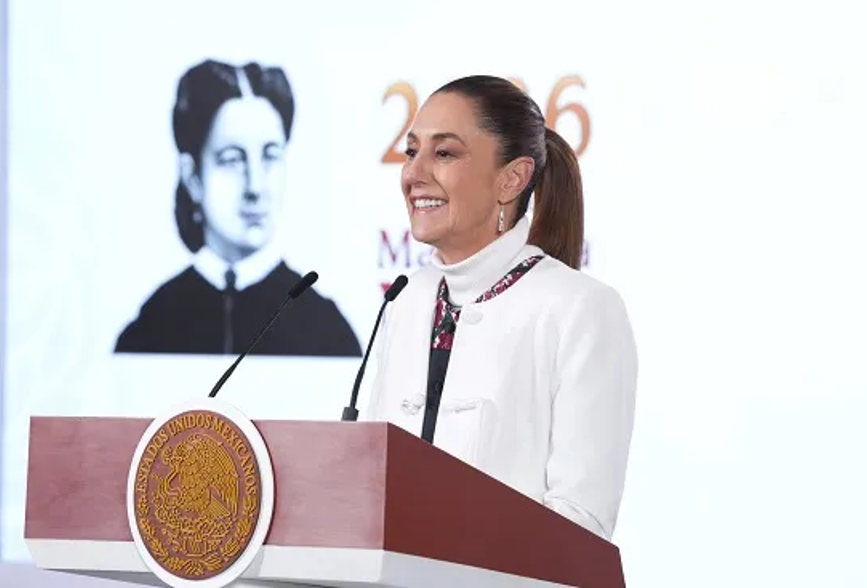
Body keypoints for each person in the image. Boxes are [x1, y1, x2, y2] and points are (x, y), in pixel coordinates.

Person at [363, 75, 637, 541]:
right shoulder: (405, 300)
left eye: (444, 153)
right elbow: (365, 484)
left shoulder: (582, 310)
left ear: (512, 178)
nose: (413, 173)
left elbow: (580, 525)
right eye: (412, 152)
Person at [115, 59, 361, 357]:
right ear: (192, 175)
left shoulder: (326, 328)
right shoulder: (152, 326)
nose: (255, 187)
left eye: (270, 156)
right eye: (233, 159)